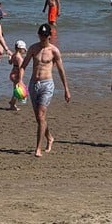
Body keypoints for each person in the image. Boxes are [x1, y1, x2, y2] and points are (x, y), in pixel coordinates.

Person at [19, 24, 71, 157]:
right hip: (33, 84)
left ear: (49, 36)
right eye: (40, 35)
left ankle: (38, 148)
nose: (42, 38)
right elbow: (23, 66)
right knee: (39, 118)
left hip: (47, 84)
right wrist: (20, 81)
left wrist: (66, 89)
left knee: (41, 115)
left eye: (44, 36)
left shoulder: (54, 51)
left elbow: (61, 70)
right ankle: (50, 137)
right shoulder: (33, 48)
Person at [7, 39, 27, 111]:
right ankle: (12, 103)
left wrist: (9, 57)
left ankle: (12, 103)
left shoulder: (14, 55)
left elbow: (10, 62)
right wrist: (21, 79)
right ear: (20, 49)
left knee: (16, 89)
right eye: (24, 49)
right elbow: (21, 68)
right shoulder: (19, 58)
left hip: (12, 74)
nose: (25, 51)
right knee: (18, 90)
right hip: (16, 75)